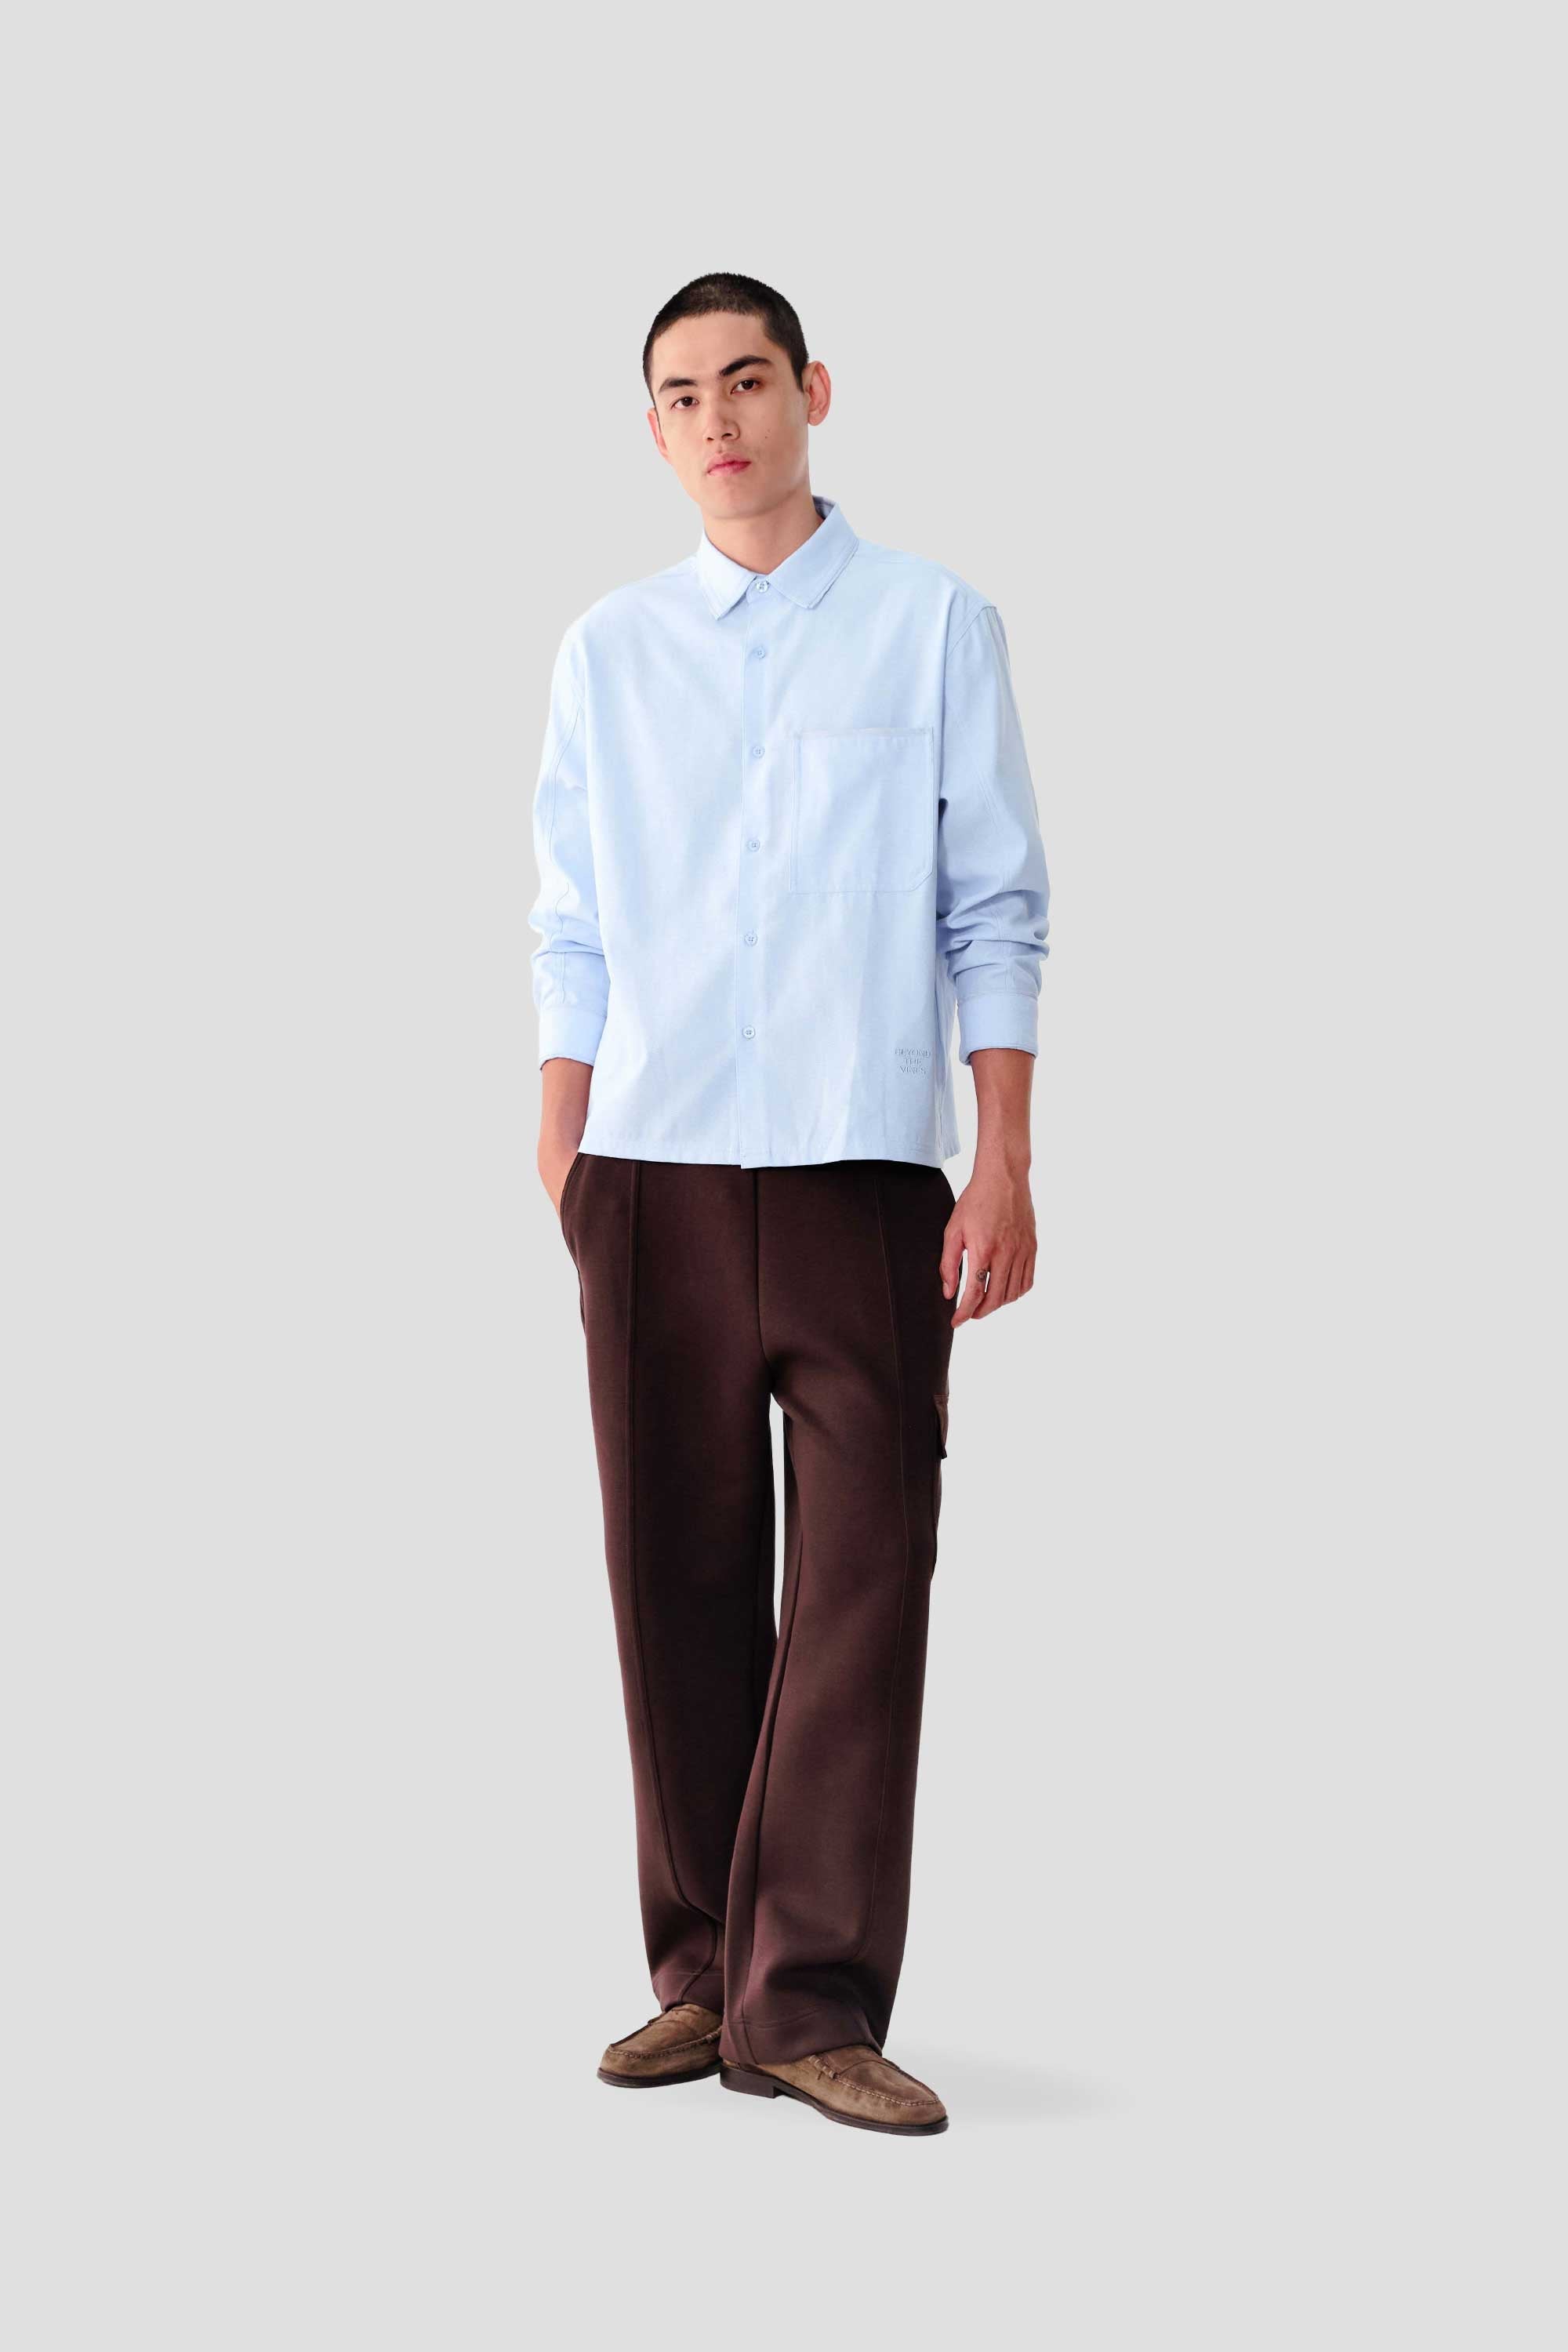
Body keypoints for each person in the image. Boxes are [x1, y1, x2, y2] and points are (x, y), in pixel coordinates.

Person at [528, 272, 1050, 2137]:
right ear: (653, 431)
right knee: (671, 1576)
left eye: (745, 379)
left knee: (864, 1582)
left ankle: (808, 1997)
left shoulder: (931, 626)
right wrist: (563, 1138)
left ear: (812, 391)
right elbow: (571, 912)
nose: (717, 419)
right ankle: (704, 1979)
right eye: (680, 395)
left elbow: (993, 901)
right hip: (652, 1170)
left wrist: (1003, 1152)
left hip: (861, 1175)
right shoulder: (609, 651)